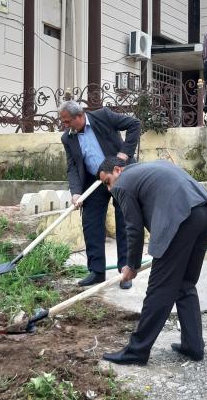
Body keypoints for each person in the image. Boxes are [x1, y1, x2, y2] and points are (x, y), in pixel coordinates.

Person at [96, 158, 207, 366]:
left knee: (159, 289)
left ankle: (136, 351)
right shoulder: (148, 168)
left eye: (107, 182)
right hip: (206, 212)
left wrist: (132, 266)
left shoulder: (123, 184)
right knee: (185, 284)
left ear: (117, 170)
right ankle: (193, 346)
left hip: (181, 219)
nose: (109, 189)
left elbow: (133, 228)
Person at [59, 101, 140, 288]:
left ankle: (125, 272)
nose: (65, 125)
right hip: (93, 181)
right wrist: (76, 193)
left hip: (119, 176)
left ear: (80, 116)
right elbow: (72, 167)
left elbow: (134, 124)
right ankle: (96, 272)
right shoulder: (67, 138)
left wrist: (125, 153)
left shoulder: (103, 116)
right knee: (91, 224)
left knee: (124, 222)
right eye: (63, 121)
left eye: (67, 121)